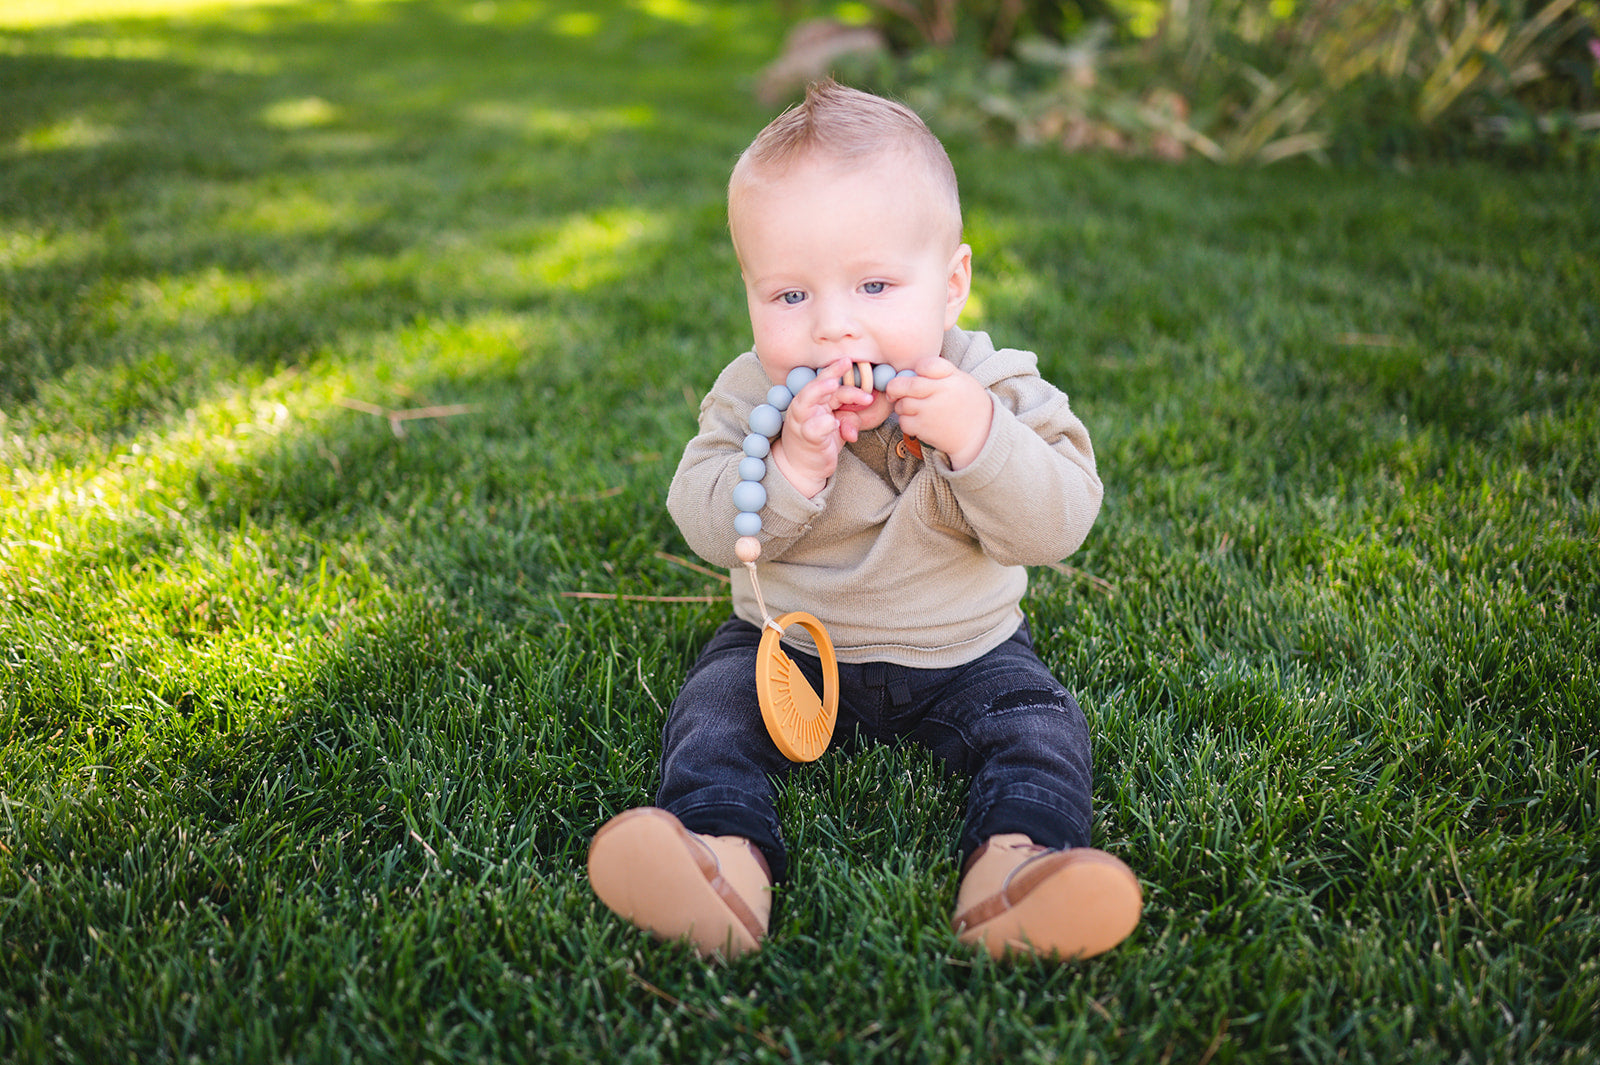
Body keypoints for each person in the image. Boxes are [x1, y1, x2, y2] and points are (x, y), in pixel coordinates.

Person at [587, 79, 1140, 961]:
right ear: (749, 293)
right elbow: (700, 513)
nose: (834, 328)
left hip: (964, 648)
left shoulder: (994, 386)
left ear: (952, 284)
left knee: (1037, 726)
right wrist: (789, 469)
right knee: (713, 715)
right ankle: (721, 859)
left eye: (875, 284)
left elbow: (1061, 521)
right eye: (790, 297)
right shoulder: (751, 396)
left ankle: (1016, 867)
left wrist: (978, 439)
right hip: (793, 644)